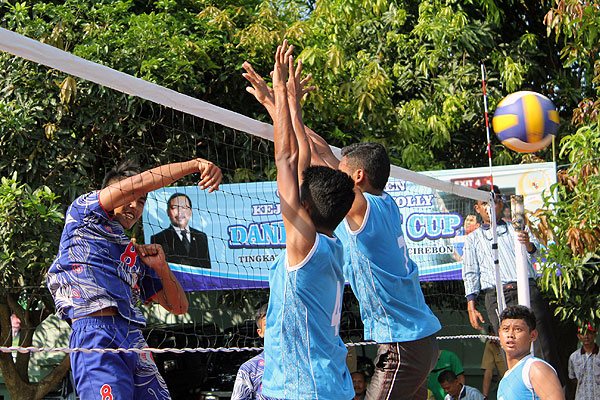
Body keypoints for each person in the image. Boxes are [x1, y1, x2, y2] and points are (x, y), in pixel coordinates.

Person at [242, 58, 441, 400]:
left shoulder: (349, 217)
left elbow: (293, 160)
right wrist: (289, 107)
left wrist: (279, 103)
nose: (335, 168)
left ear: (358, 178)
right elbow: (314, 152)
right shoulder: (363, 216)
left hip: (399, 342)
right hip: (411, 340)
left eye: (343, 169)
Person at [47, 157, 222, 400]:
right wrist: (195, 164)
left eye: (141, 202)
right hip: (96, 333)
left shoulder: (134, 255)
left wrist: (161, 267)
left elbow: (179, 306)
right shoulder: (83, 213)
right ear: (109, 194)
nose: (133, 206)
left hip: (133, 338)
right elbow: (139, 183)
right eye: (127, 197)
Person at [245, 41, 355, 399]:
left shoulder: (303, 244)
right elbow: (301, 159)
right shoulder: (331, 244)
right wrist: (286, 105)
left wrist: (277, 92)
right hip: (326, 384)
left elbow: (288, 160)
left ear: (304, 205)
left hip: (303, 389)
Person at [462, 184, 562, 382]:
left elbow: (541, 257)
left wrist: (529, 244)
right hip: (495, 295)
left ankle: (550, 389)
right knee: (510, 347)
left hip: (525, 289)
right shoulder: (473, 239)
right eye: (485, 203)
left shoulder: (517, 229)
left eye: (495, 201)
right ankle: (519, 388)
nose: (491, 207)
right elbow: (470, 272)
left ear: (501, 203)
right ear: (478, 208)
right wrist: (471, 305)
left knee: (542, 343)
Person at [497, 305, 564, 400]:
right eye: (506, 329)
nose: (510, 335)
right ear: (499, 333)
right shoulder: (505, 379)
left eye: (517, 329)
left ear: (533, 335)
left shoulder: (536, 368)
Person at [151, 192, 211, 268]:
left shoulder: (201, 237)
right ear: (168, 212)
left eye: (184, 207)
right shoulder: (158, 239)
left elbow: (207, 269)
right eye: (174, 208)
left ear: (191, 211)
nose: (180, 212)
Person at [231, 304, 269, 400]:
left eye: (278, 324)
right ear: (260, 332)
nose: (275, 329)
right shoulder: (249, 369)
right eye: (268, 325)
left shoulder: (307, 364)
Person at [568, 324, 599, 400]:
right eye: (583, 333)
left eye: (589, 333)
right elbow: (572, 378)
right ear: (579, 336)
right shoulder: (574, 357)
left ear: (595, 335)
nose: (586, 336)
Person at [481, 325, 507, 400]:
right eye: (491, 337)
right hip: (503, 386)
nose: (494, 340)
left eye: (495, 337)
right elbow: (488, 371)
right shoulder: (490, 344)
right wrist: (485, 396)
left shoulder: (510, 343)